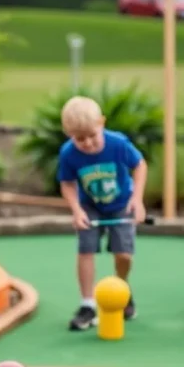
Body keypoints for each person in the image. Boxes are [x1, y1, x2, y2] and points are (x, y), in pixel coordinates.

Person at [56, 96, 148, 331]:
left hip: (121, 203)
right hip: (90, 206)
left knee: (123, 254)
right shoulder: (68, 154)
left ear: (102, 123)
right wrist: (76, 210)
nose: (86, 143)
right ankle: (87, 304)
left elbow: (139, 165)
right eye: (79, 138)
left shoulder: (118, 144)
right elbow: (66, 183)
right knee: (86, 249)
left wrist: (137, 200)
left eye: (91, 136)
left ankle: (122, 290)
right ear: (69, 134)